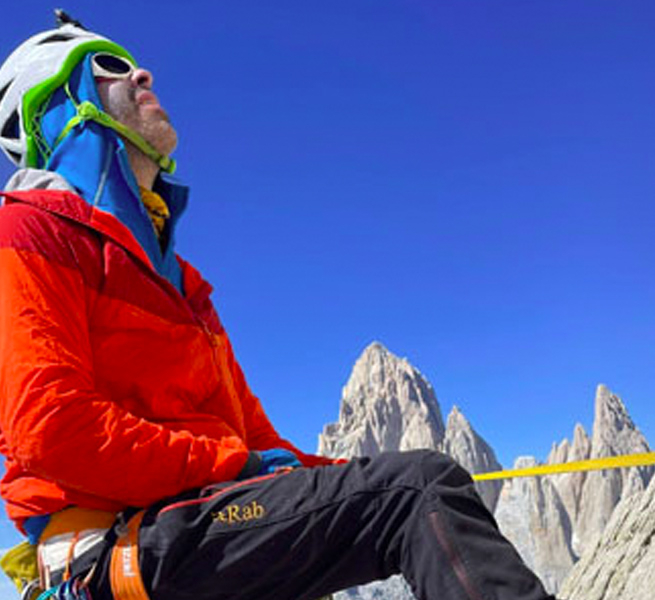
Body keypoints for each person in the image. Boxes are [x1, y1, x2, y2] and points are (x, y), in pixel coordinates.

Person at [0, 11, 558, 600]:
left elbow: (257, 440)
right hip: (121, 545)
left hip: (191, 525)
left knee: (406, 490)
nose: (143, 73)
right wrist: (235, 466)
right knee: (417, 488)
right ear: (59, 107)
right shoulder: (29, 232)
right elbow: (49, 427)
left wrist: (331, 478)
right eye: (109, 67)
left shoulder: (185, 288)